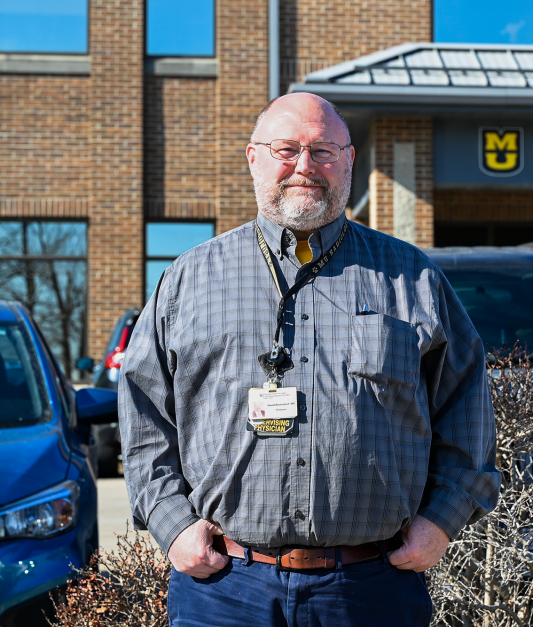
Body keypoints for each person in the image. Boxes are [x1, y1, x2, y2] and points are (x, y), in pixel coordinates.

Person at [119, 92, 500, 627]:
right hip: (224, 588)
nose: (304, 166)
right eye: (286, 149)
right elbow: (143, 412)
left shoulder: (411, 278)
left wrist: (441, 520)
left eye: (323, 150)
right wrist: (172, 523)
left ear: (348, 161)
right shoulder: (189, 278)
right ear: (253, 157)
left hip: (369, 588)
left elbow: (466, 406)